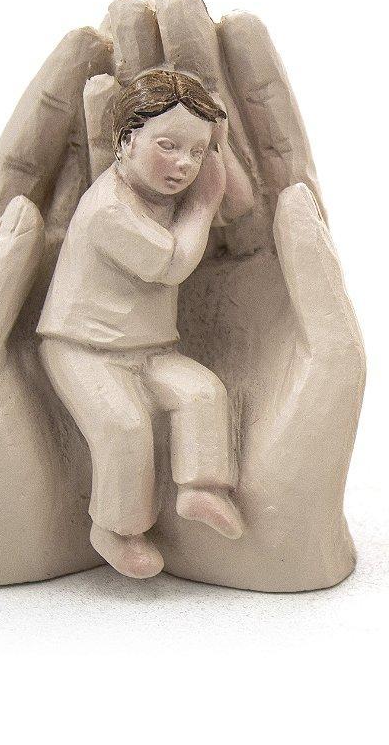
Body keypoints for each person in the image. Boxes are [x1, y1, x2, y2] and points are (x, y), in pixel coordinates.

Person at [38, 69, 253, 578]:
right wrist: (202, 204)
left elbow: (240, 205)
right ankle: (116, 530)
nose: (184, 164)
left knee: (202, 392)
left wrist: (220, 150)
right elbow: (172, 263)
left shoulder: (166, 195)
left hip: (151, 348)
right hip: (83, 348)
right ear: (127, 141)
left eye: (196, 152)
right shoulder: (107, 208)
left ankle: (201, 489)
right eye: (168, 145)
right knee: (124, 426)